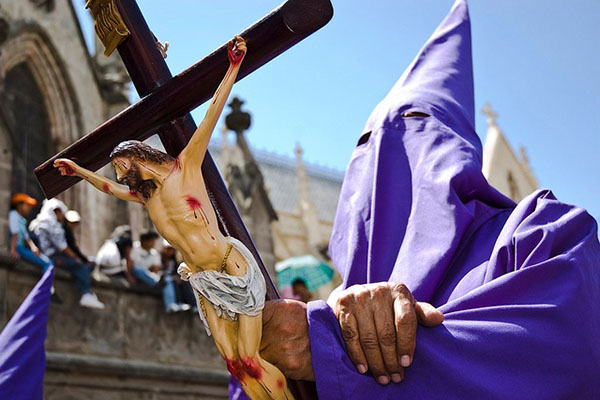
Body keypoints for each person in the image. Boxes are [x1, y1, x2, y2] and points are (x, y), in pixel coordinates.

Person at [254, 1, 600, 399]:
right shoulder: (335, 300)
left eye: (418, 122)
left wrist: (335, 351)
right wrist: (268, 356)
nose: (392, 152)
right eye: (368, 146)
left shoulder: (540, 233)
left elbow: (564, 351)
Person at [53, 37, 290, 398]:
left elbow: (211, 114)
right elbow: (107, 190)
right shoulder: (145, 197)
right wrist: (79, 171)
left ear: (137, 156)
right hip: (202, 280)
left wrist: (233, 66)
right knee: (236, 366)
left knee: (251, 359)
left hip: (231, 267)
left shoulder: (186, 168)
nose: (119, 175)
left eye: (120, 166)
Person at [29, 199, 105, 310]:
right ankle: (86, 293)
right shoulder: (52, 225)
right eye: (61, 213)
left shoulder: (36, 222)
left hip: (44, 255)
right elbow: (63, 247)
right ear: (56, 212)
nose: (62, 216)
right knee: (79, 266)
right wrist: (76, 258)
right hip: (52, 257)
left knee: (83, 266)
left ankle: (83, 281)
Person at [130, 230, 186, 313]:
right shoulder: (134, 249)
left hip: (150, 277)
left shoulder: (154, 253)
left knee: (167, 280)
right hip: (138, 276)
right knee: (138, 270)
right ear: (144, 241)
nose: (153, 243)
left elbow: (155, 269)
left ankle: (170, 305)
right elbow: (131, 265)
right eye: (151, 241)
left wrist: (150, 271)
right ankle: (156, 282)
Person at [160, 239, 196, 311]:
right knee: (171, 281)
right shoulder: (160, 259)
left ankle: (193, 304)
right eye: (168, 249)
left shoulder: (174, 261)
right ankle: (175, 303)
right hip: (163, 279)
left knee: (183, 282)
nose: (170, 252)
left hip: (173, 278)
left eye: (172, 250)